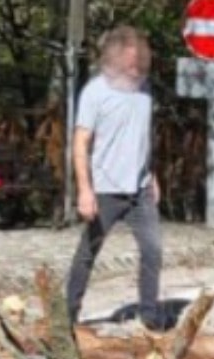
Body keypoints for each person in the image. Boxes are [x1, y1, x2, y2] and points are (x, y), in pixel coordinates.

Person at [66, 25, 165, 330]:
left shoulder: (145, 90)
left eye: (140, 60)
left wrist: (153, 175)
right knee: (88, 252)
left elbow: (143, 137)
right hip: (105, 189)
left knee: (153, 250)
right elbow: (80, 142)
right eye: (130, 60)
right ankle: (67, 317)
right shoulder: (95, 92)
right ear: (115, 57)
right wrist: (84, 190)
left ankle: (150, 317)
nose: (136, 66)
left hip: (140, 189)